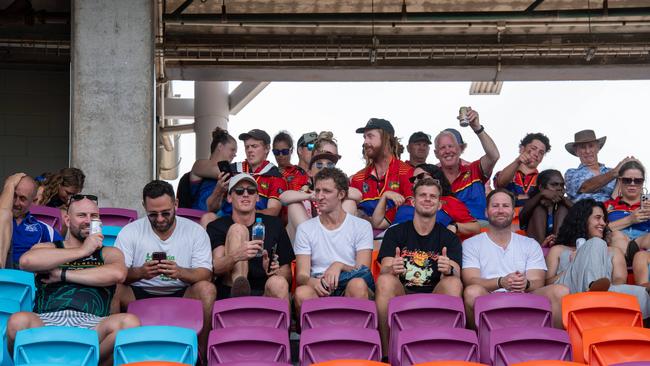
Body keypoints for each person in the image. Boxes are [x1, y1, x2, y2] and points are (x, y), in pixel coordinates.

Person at [6, 195, 139, 366]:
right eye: (82, 215)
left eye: (94, 216)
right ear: (68, 220)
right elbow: (26, 262)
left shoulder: (109, 253)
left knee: (130, 323)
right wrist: (83, 251)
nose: (88, 221)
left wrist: (62, 274)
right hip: (47, 321)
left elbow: (118, 274)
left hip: (94, 325)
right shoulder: (49, 247)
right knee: (17, 321)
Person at [114, 180, 215, 352]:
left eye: (165, 213)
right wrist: (140, 273)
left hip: (182, 291)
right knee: (112, 287)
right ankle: (117, 351)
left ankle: (202, 352)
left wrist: (180, 272)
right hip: (138, 292)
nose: (160, 219)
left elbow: (205, 273)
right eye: (153, 214)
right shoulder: (130, 231)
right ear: (144, 207)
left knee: (207, 289)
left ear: (176, 204)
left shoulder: (195, 231)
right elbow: (117, 273)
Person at [375, 177, 463, 356]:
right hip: (402, 291)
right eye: (423, 195)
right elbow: (384, 268)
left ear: (439, 204)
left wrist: (449, 269)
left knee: (454, 283)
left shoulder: (449, 237)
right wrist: (392, 268)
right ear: (413, 202)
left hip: (434, 292)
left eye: (433, 196)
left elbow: (457, 271)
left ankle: (444, 353)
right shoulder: (396, 232)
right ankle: (386, 354)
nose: (428, 199)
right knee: (385, 280)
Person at [462, 189, 569, 328]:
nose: (500, 210)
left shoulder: (530, 244)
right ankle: (481, 343)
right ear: (486, 212)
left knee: (560, 291)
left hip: (524, 298)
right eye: (495, 206)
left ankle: (551, 342)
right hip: (489, 298)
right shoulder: (471, 244)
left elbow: (538, 281)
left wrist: (526, 284)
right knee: (472, 292)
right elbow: (471, 281)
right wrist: (501, 282)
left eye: (505, 206)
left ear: (513, 212)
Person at [545, 199, 650, 317]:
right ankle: (591, 286)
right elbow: (547, 283)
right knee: (596, 242)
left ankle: (595, 292)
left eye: (604, 219)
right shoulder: (558, 250)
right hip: (569, 292)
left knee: (642, 294)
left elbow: (619, 281)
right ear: (583, 219)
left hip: (607, 293)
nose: (603, 223)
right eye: (598, 218)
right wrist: (576, 263)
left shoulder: (614, 251)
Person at [294, 167, 374, 315]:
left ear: (341, 194)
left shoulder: (361, 226)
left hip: (349, 282)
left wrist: (339, 265)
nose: (320, 196)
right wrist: (313, 282)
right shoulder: (305, 228)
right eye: (317, 190)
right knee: (301, 292)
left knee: (357, 285)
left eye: (327, 191)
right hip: (319, 285)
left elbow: (363, 269)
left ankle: (356, 337)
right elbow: (302, 275)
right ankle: (318, 338)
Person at [208, 173, 294, 300]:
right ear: (229, 198)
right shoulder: (217, 226)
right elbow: (215, 268)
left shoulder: (274, 224)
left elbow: (287, 272)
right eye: (239, 191)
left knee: (279, 283)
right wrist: (236, 256)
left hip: (264, 290)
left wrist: (274, 272)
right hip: (229, 292)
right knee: (238, 229)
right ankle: (240, 292)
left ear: (257, 197)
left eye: (251, 191)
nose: (245, 194)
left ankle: (281, 319)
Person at [371, 164, 480, 237]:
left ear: (436, 178)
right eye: (414, 179)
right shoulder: (407, 202)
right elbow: (378, 223)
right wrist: (385, 196)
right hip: (393, 244)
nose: (416, 181)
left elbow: (475, 227)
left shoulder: (449, 201)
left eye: (421, 176)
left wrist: (455, 226)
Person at [433, 109, 500, 222]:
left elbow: (493, 156)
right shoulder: (431, 177)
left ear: (460, 149)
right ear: (436, 154)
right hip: (445, 232)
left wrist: (477, 128)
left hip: (477, 230)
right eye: (442, 147)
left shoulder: (474, 170)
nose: (447, 151)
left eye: (451, 146)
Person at [280, 152, 360, 241]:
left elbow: (358, 195)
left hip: (336, 240)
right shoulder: (306, 192)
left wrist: (334, 191)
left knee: (350, 202)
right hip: (310, 243)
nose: (325, 167)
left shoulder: (340, 192)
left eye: (330, 165)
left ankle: (332, 242)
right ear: (309, 172)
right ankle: (316, 242)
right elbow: (283, 197)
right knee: (294, 205)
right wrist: (310, 196)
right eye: (319, 164)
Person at [350, 118, 414, 229]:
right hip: (363, 241)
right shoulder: (358, 178)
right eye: (364, 137)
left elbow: (412, 206)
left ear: (386, 138)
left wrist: (383, 221)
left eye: (370, 136)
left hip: (397, 240)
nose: (365, 142)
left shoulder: (406, 172)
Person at [0, 173, 62, 268]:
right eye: (13, 195)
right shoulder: (3, 216)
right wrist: (10, 184)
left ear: (32, 201)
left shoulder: (42, 228)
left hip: (27, 278)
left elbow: (64, 250)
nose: (16, 203)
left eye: (22, 198)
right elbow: (3, 214)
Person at [564, 129, 635, 202]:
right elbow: (585, 187)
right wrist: (614, 173)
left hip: (613, 211)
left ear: (598, 148)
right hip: (585, 211)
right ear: (576, 152)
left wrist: (631, 168)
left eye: (591, 146)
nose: (587, 151)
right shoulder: (571, 173)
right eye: (583, 147)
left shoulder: (611, 171)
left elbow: (625, 193)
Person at [494, 133, 551, 218]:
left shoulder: (544, 180)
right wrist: (517, 161)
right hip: (506, 223)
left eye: (541, 153)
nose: (536, 154)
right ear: (522, 148)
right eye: (533, 149)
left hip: (533, 224)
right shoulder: (505, 173)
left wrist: (514, 197)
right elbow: (500, 184)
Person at [604, 160, 650, 264]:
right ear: (620, 181)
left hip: (645, 240)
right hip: (617, 242)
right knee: (616, 236)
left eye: (638, 181)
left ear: (643, 182)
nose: (632, 184)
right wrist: (630, 220)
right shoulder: (607, 206)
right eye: (627, 180)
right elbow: (598, 230)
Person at [184, 127, 237, 212]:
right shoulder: (199, 164)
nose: (235, 155)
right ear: (220, 146)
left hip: (223, 218)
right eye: (232, 150)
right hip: (200, 217)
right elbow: (224, 174)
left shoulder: (233, 170)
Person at [519, 169, 572, 246]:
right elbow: (522, 218)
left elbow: (582, 216)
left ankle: (556, 243)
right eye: (554, 185)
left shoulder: (563, 204)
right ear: (541, 188)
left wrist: (564, 200)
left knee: (563, 209)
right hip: (536, 247)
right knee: (539, 209)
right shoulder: (533, 203)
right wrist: (541, 195)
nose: (559, 188)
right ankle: (540, 248)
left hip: (557, 249)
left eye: (562, 185)